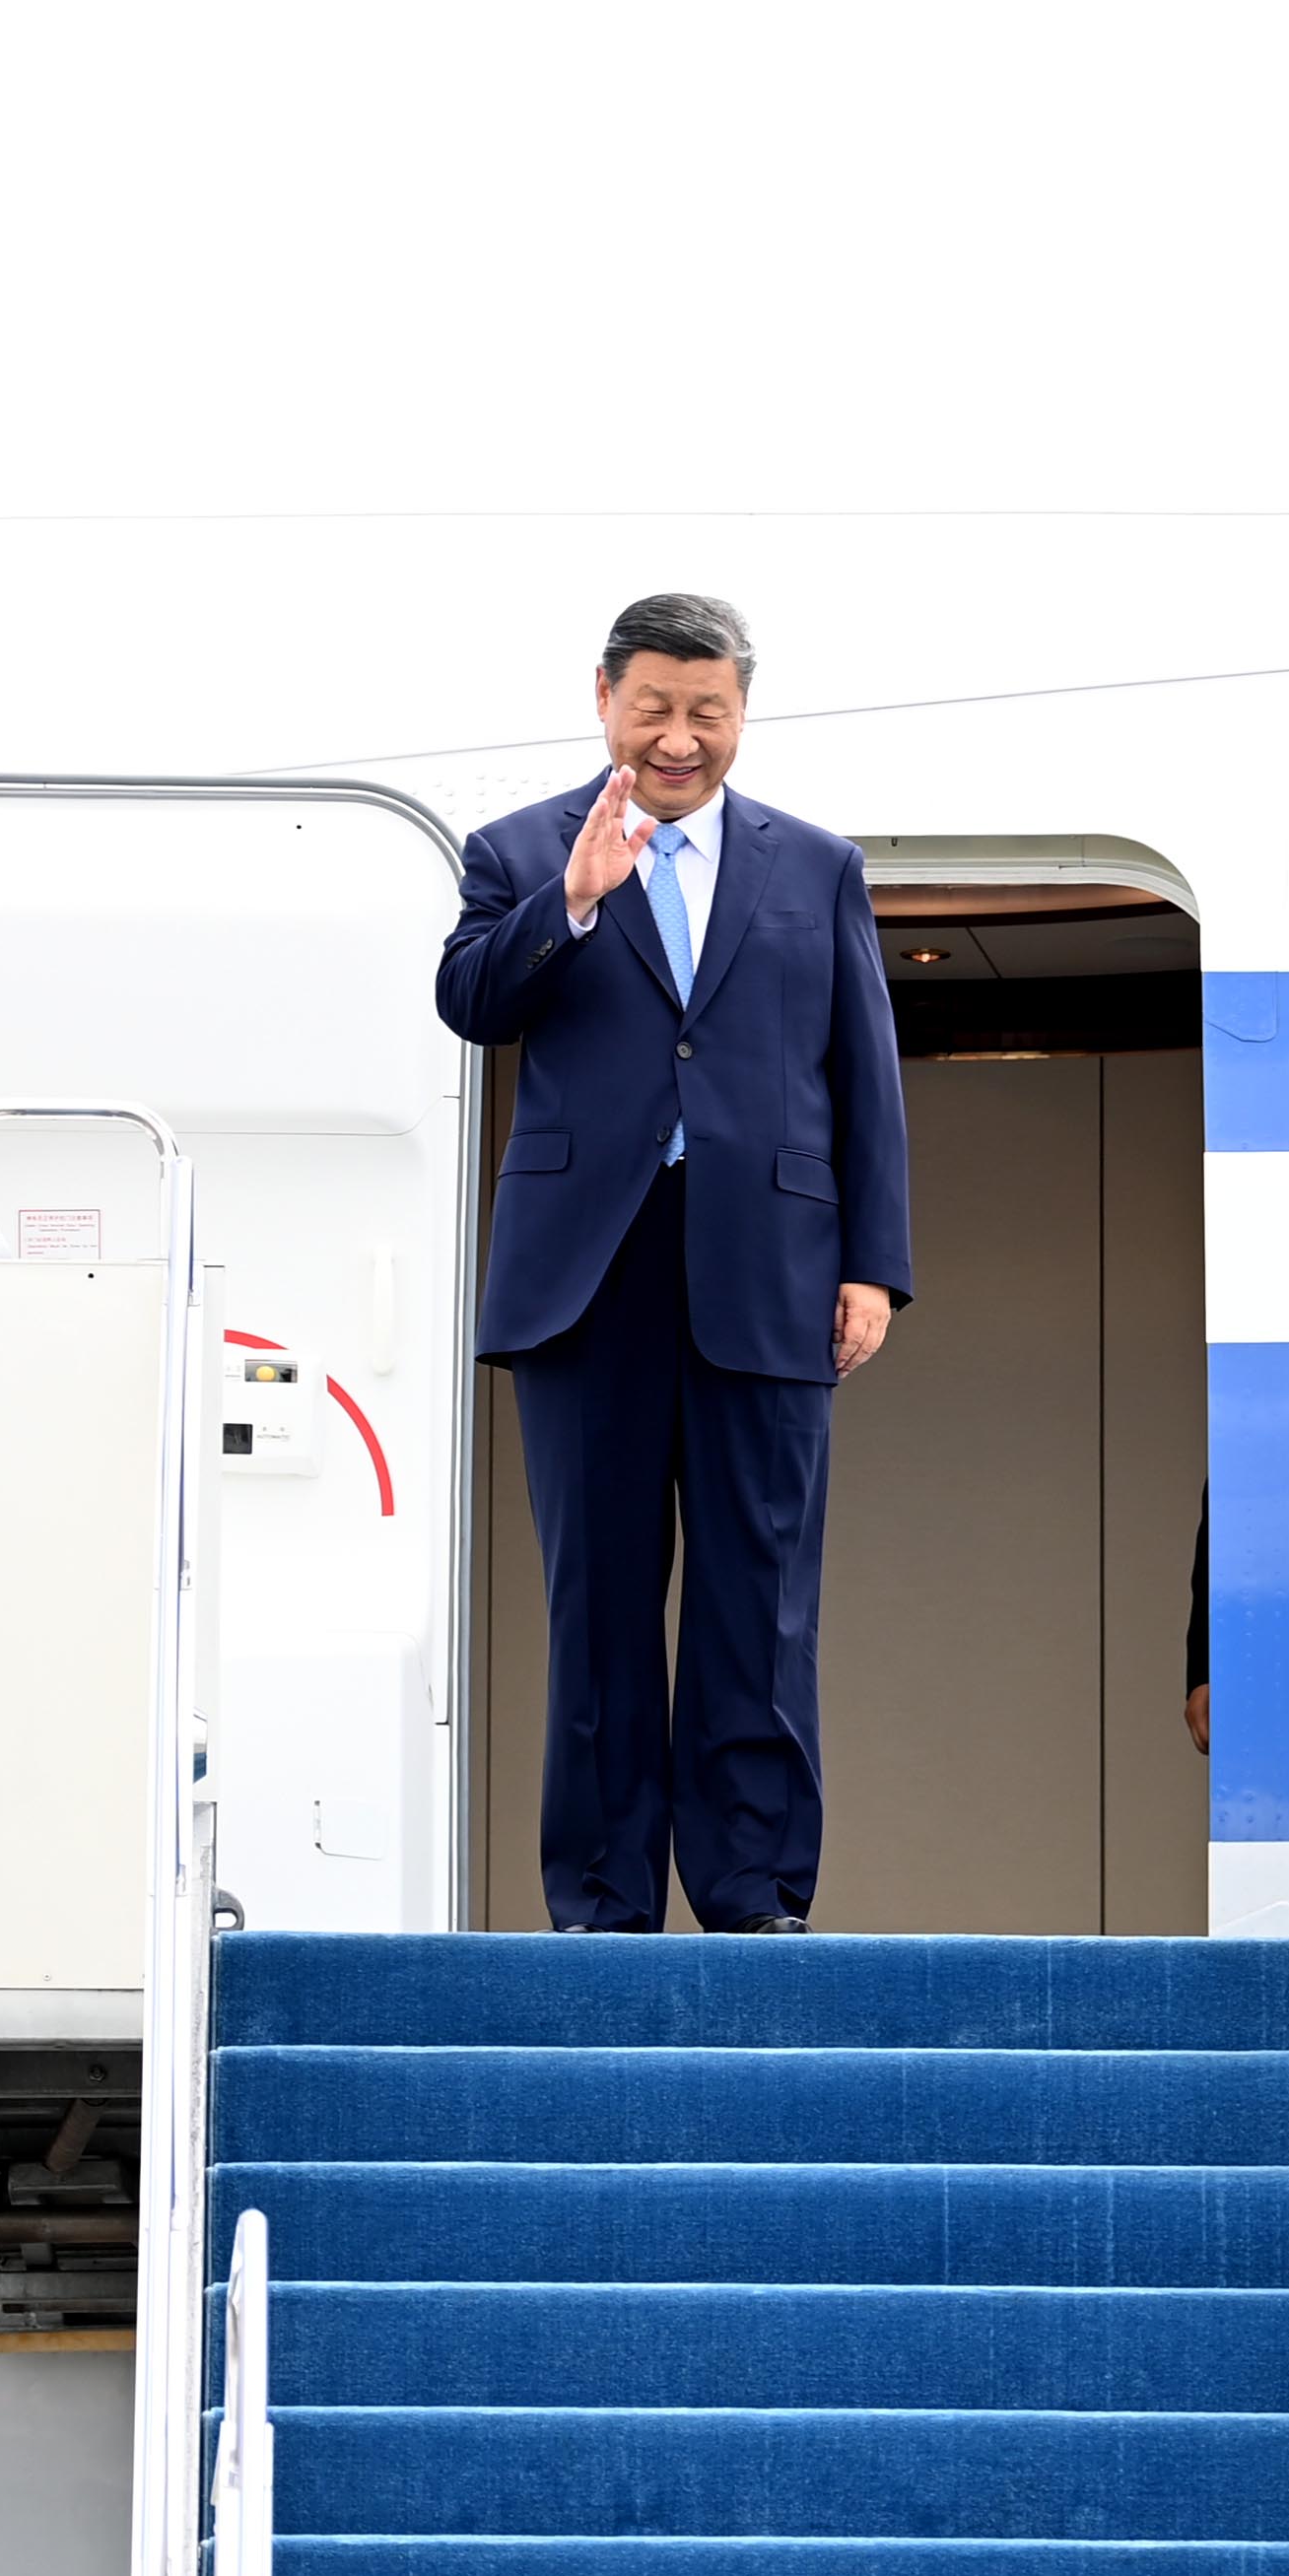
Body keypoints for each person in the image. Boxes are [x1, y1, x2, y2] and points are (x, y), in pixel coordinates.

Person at [435, 594, 911, 1932]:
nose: (680, 738)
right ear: (605, 699)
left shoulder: (816, 865)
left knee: (761, 1598)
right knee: (598, 1603)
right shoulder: (519, 850)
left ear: (743, 711)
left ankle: (756, 1895)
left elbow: (863, 1075)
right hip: (588, 1276)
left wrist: (873, 1264)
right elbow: (471, 1003)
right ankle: (601, 1901)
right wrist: (572, 902)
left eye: (709, 712)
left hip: (772, 1264)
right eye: (655, 709)